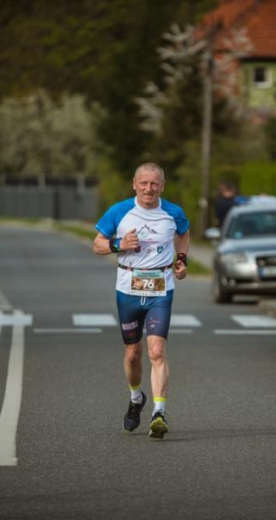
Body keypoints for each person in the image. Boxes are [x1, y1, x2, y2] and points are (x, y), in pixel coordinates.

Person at [91, 162, 190, 439]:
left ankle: (159, 413)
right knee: (132, 353)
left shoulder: (173, 212)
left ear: (162, 186)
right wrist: (118, 245)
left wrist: (181, 260)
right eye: (144, 183)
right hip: (128, 289)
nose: (149, 188)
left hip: (161, 289)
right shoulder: (120, 211)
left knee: (157, 351)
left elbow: (183, 234)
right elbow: (97, 244)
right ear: (135, 184)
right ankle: (136, 398)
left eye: (154, 183)